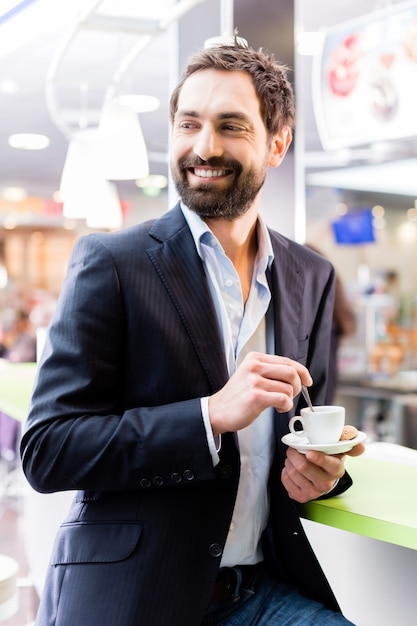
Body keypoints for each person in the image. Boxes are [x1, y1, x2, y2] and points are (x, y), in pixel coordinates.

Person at [20, 36, 365, 626]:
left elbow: (306, 431)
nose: (204, 147)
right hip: (137, 595)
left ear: (277, 144)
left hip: (261, 593)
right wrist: (206, 418)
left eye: (232, 126)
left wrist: (321, 474)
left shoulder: (312, 275)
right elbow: (48, 450)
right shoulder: (112, 262)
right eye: (189, 124)